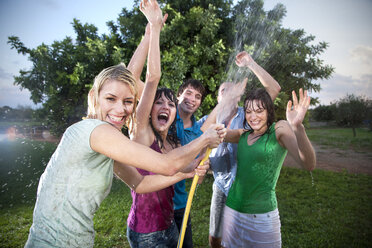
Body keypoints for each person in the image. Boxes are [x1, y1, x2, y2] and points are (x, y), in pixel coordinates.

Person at [24, 9, 225, 248]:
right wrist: (205, 140)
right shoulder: (95, 131)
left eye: (128, 102)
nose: (121, 109)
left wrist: (150, 33)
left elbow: (139, 183)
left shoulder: (109, 146)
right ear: (94, 97)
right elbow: (165, 162)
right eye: (110, 99)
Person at [120, 1, 210, 247]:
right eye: (158, 103)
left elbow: (181, 165)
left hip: (170, 224)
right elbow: (148, 77)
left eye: (170, 105)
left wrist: (199, 166)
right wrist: (153, 31)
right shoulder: (141, 131)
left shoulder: (171, 140)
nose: (165, 107)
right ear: (149, 110)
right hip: (147, 232)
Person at [221, 51, 316, 248]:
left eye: (259, 111)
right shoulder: (243, 134)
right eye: (248, 111)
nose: (253, 116)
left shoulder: (278, 129)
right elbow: (213, 134)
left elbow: (309, 164)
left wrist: (298, 128)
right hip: (232, 210)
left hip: (261, 217)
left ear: (269, 110)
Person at [205, 52, 281, 248]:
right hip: (221, 187)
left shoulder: (250, 116)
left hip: (245, 188)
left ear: (239, 95)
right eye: (224, 91)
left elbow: (273, 88)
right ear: (218, 96)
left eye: (232, 91)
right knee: (215, 236)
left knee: (242, 239)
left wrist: (250, 64)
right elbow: (199, 136)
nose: (228, 93)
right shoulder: (208, 119)